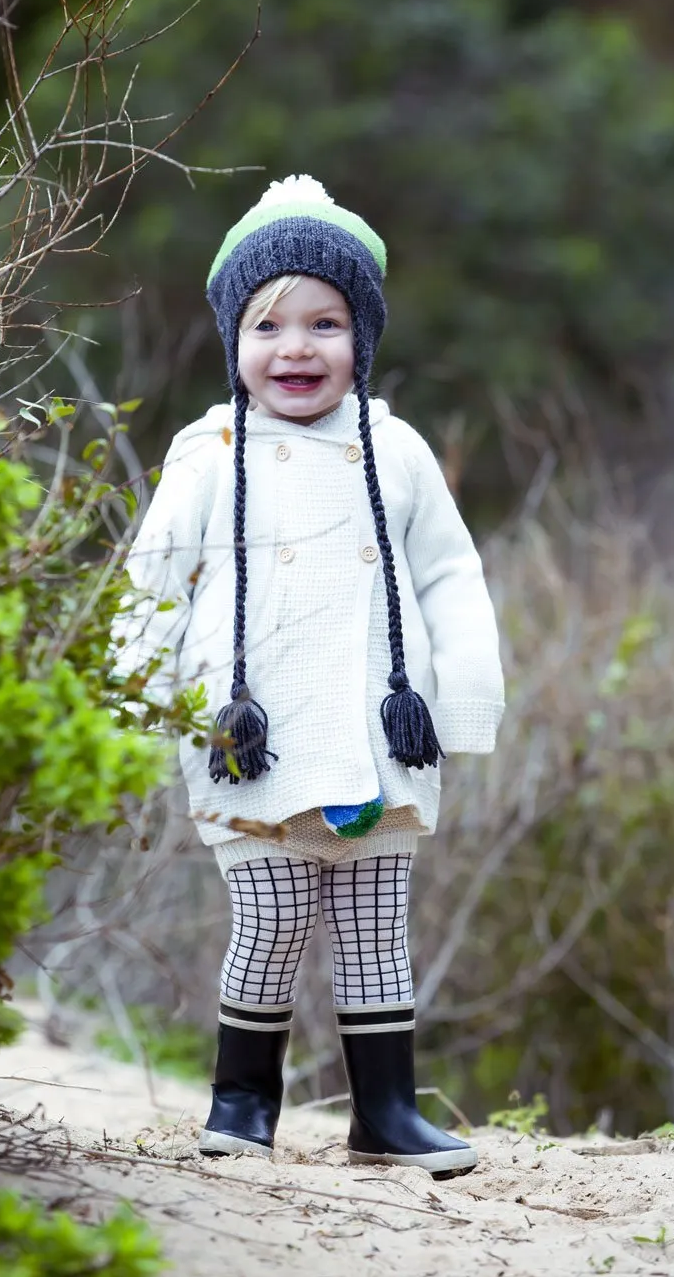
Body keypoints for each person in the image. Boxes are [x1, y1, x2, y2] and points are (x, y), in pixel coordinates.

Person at [112, 175, 504, 1177]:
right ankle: (242, 1099)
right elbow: (152, 581)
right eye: (269, 324)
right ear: (231, 339)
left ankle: (386, 1111)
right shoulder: (208, 455)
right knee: (274, 912)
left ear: (361, 338)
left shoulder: (397, 452)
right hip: (251, 737)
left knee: (376, 920)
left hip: (377, 732)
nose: (296, 347)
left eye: (325, 323)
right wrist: (127, 701)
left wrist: (460, 704)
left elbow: (451, 576)